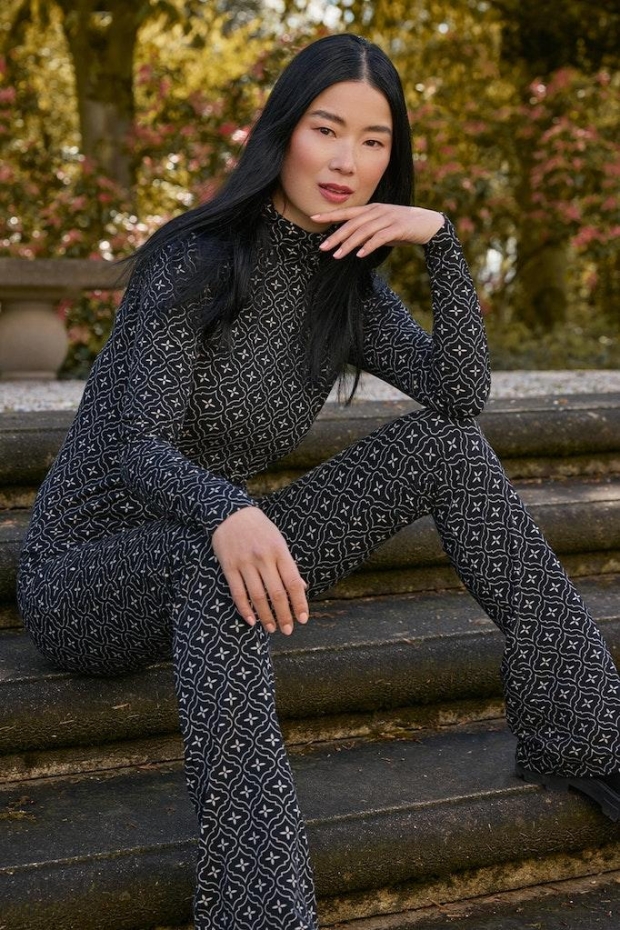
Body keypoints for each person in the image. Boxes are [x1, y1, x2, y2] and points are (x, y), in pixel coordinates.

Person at [17, 32, 620, 930]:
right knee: (215, 557)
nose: (347, 161)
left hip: (220, 548)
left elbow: (459, 396)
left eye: (373, 141)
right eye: (327, 130)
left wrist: (443, 244)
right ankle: (260, 910)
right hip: (87, 578)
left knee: (446, 446)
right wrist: (225, 512)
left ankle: (586, 731)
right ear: (283, 131)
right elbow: (137, 446)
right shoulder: (196, 260)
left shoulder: (349, 287)